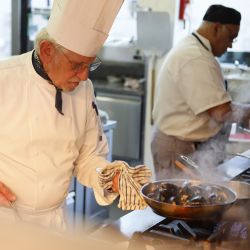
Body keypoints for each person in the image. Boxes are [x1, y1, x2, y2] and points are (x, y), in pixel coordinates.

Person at [0, 0, 125, 229]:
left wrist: (110, 177)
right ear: (47, 51)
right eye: (77, 65)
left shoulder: (84, 92)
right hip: (5, 224)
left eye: (90, 64)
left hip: (54, 225)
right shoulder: (4, 79)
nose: (85, 76)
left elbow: (87, 158)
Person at [151, 4, 250, 179]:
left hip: (187, 144)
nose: (230, 45)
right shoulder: (195, 57)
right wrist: (247, 112)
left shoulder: (195, 47)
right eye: (230, 38)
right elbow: (221, 112)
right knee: (181, 203)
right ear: (217, 27)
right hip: (180, 147)